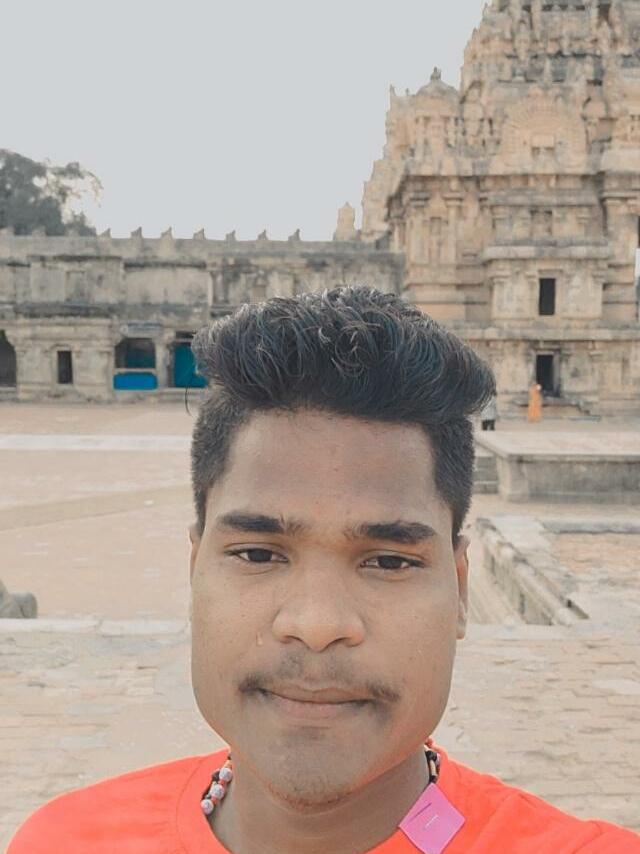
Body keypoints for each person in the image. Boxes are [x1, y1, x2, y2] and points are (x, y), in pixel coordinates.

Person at [8, 287, 639, 853]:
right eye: (258, 554)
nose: (316, 624)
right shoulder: (60, 841)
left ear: (461, 588)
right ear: (195, 569)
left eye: (389, 560)